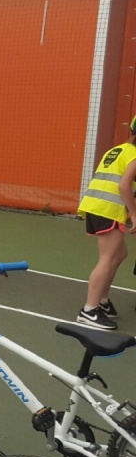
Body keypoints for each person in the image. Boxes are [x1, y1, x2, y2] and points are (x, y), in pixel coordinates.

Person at [76, 117, 136, 330]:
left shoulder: (118, 150)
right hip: (108, 209)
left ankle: (102, 300)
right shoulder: (135, 155)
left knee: (119, 254)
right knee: (108, 258)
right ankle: (89, 310)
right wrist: (134, 214)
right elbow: (124, 186)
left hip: (96, 206)